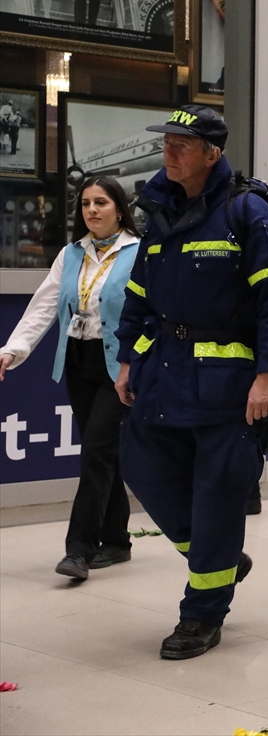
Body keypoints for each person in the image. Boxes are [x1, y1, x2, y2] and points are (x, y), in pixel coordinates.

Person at [114, 105, 268, 660]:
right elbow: (139, 294)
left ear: (212, 154)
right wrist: (127, 359)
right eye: (166, 143)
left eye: (182, 144)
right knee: (142, 467)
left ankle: (201, 616)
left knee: (218, 498)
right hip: (163, 372)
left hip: (230, 386)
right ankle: (217, 558)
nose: (169, 152)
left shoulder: (247, 212)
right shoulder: (160, 210)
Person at [1, 176, 140, 580]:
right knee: (103, 453)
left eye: (101, 203)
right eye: (85, 204)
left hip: (120, 364)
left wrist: (139, 361)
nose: (92, 210)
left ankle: (79, 549)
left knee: (96, 452)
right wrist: (14, 349)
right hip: (79, 360)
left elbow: (149, 313)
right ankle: (117, 540)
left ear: (120, 209)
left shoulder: (140, 252)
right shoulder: (71, 253)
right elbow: (45, 305)